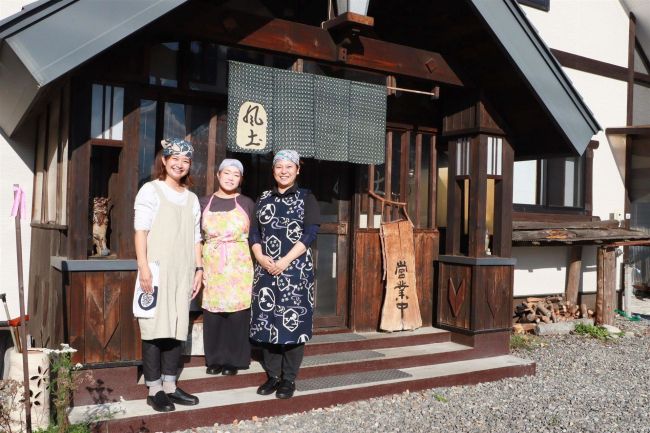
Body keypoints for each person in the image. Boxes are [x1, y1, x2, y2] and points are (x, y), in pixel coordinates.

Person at [134, 138, 202, 412]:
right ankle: (154, 388)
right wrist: (144, 268)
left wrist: (199, 269)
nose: (179, 164)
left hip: (183, 270)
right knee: (153, 327)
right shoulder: (151, 191)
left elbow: (197, 237)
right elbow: (141, 231)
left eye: (185, 161)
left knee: (176, 327)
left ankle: (171, 385)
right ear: (164, 160)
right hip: (156, 269)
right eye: (174, 158)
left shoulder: (193, 198)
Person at [249, 149, 320, 399]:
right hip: (266, 269)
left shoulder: (306, 197)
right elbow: (254, 233)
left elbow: (310, 234)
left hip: (295, 272)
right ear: (273, 170)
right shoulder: (264, 198)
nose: (284, 171)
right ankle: (272, 376)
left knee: (293, 324)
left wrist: (285, 260)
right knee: (268, 323)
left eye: (289, 167)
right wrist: (259, 257)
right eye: (279, 166)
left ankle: (289, 379)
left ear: (297, 170)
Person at [199, 158, 255, 376]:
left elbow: (256, 236)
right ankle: (215, 359)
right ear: (218, 175)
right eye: (227, 173)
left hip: (239, 264)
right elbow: (197, 236)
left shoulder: (247, 203)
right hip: (212, 263)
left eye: (236, 174)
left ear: (241, 179)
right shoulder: (204, 202)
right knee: (213, 313)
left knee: (237, 313)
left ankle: (235, 360)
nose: (231, 178)